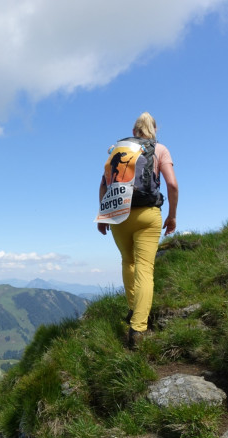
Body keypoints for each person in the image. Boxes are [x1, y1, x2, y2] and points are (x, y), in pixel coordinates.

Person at [97, 112, 178, 348]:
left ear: (134, 131)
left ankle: (133, 310)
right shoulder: (159, 149)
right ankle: (138, 329)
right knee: (145, 267)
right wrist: (172, 216)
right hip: (147, 214)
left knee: (128, 261)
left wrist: (103, 215)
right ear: (154, 130)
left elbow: (103, 185)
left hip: (118, 215)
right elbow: (172, 184)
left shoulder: (118, 150)